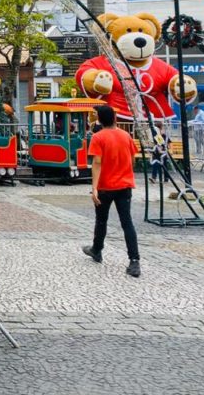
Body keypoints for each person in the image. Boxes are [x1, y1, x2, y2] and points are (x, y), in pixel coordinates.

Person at [82, 105, 140, 278]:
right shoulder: (126, 135)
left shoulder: (98, 137)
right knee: (127, 222)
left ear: (99, 120)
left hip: (105, 186)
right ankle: (134, 260)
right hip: (124, 185)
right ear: (115, 119)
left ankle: (97, 250)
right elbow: (132, 159)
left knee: (101, 221)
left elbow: (97, 163)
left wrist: (94, 189)